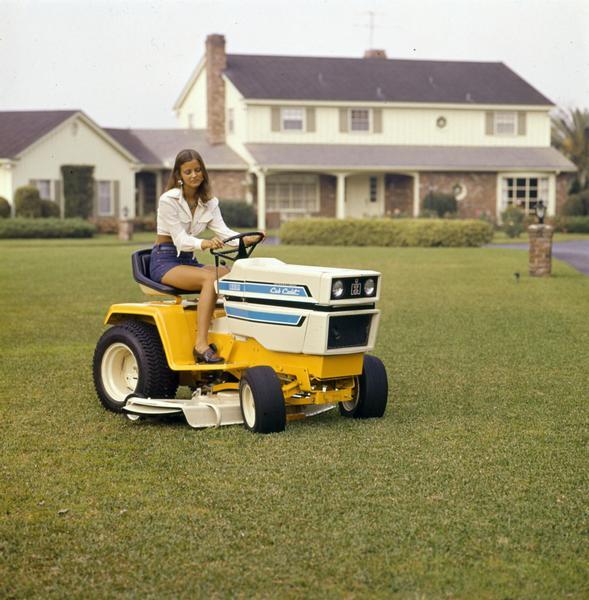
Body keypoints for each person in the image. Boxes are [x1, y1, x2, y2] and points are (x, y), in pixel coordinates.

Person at [149, 148, 261, 364]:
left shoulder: (209, 202)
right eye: (188, 171)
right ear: (179, 175)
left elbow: (225, 232)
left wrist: (246, 239)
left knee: (230, 273)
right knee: (210, 278)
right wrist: (205, 243)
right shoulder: (168, 200)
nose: (194, 176)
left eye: (198, 170)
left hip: (188, 260)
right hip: (166, 260)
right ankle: (200, 344)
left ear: (203, 172)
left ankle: (235, 333)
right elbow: (180, 239)